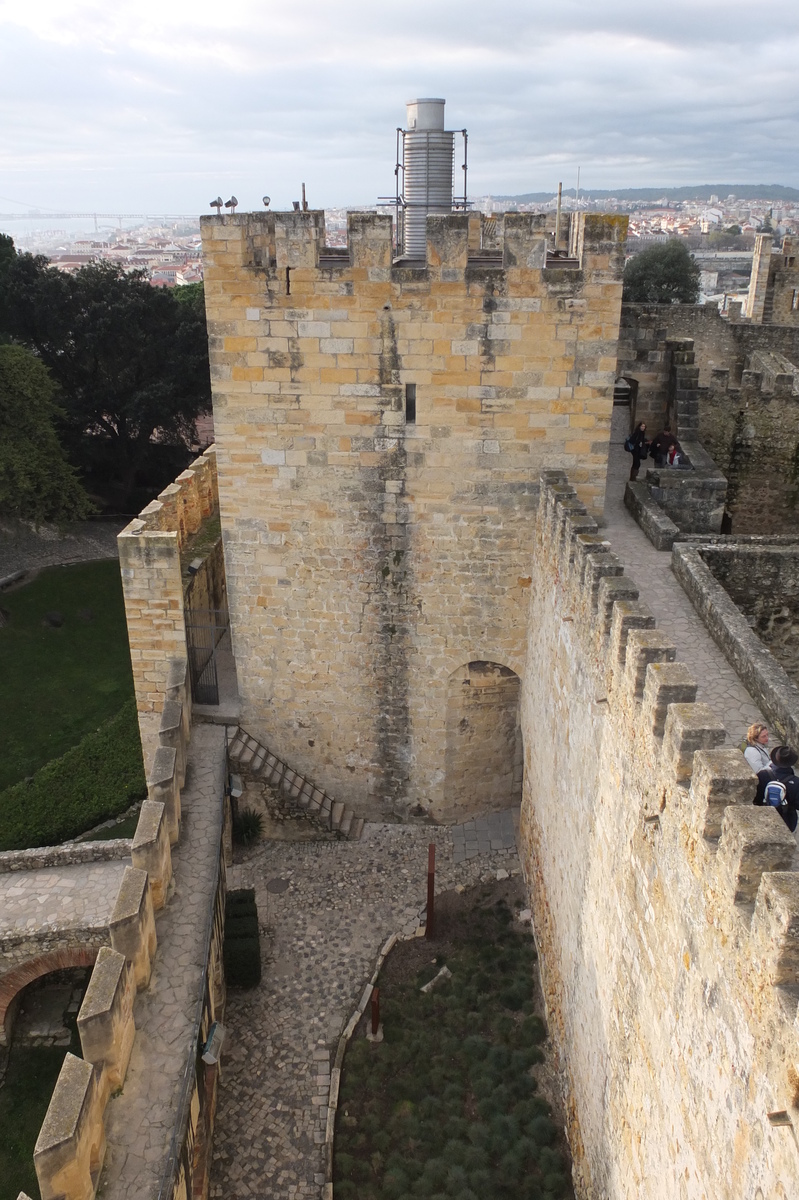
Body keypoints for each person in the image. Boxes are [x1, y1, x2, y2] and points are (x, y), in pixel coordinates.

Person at [754, 745, 799, 833]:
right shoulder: (796, 782)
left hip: (763, 818)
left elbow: (756, 797)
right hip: (787, 822)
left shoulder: (763, 775)